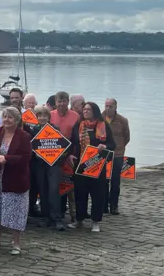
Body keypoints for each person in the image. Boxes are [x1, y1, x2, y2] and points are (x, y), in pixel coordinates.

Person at [0, 107, 32, 255]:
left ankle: (16, 243)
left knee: (15, 212)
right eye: (5, 117)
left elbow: (26, 157)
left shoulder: (24, 136)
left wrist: (7, 159)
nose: (7, 120)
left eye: (10, 117)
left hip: (15, 180)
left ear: (16, 120)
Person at [67, 102, 116, 232]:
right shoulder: (79, 125)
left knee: (97, 194)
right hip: (81, 164)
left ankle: (95, 221)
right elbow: (73, 143)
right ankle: (79, 220)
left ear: (95, 111)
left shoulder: (103, 125)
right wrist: (71, 155)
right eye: (84, 109)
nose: (85, 111)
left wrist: (104, 146)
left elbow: (112, 144)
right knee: (80, 194)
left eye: (88, 109)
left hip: (97, 164)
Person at [31, 106, 66, 230]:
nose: (42, 118)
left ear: (49, 117)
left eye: (45, 116)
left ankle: (57, 218)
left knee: (54, 190)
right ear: (36, 117)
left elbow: (62, 147)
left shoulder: (55, 129)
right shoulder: (33, 130)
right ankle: (46, 217)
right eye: (39, 116)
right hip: (39, 166)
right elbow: (30, 146)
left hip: (54, 165)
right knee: (43, 191)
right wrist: (34, 153)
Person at [51, 91, 80, 222]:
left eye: (64, 101)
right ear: (55, 102)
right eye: (59, 101)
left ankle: (74, 214)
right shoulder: (50, 115)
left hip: (70, 154)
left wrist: (73, 155)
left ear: (68, 102)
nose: (61, 104)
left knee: (69, 184)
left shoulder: (76, 116)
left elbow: (78, 139)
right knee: (56, 184)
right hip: (53, 154)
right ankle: (60, 211)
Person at [102, 98, 130, 215]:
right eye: (106, 106)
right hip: (104, 153)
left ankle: (114, 206)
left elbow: (127, 137)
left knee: (115, 182)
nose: (108, 109)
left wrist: (119, 148)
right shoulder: (100, 118)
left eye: (110, 106)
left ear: (115, 107)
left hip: (118, 154)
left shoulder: (122, 120)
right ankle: (103, 206)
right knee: (103, 181)